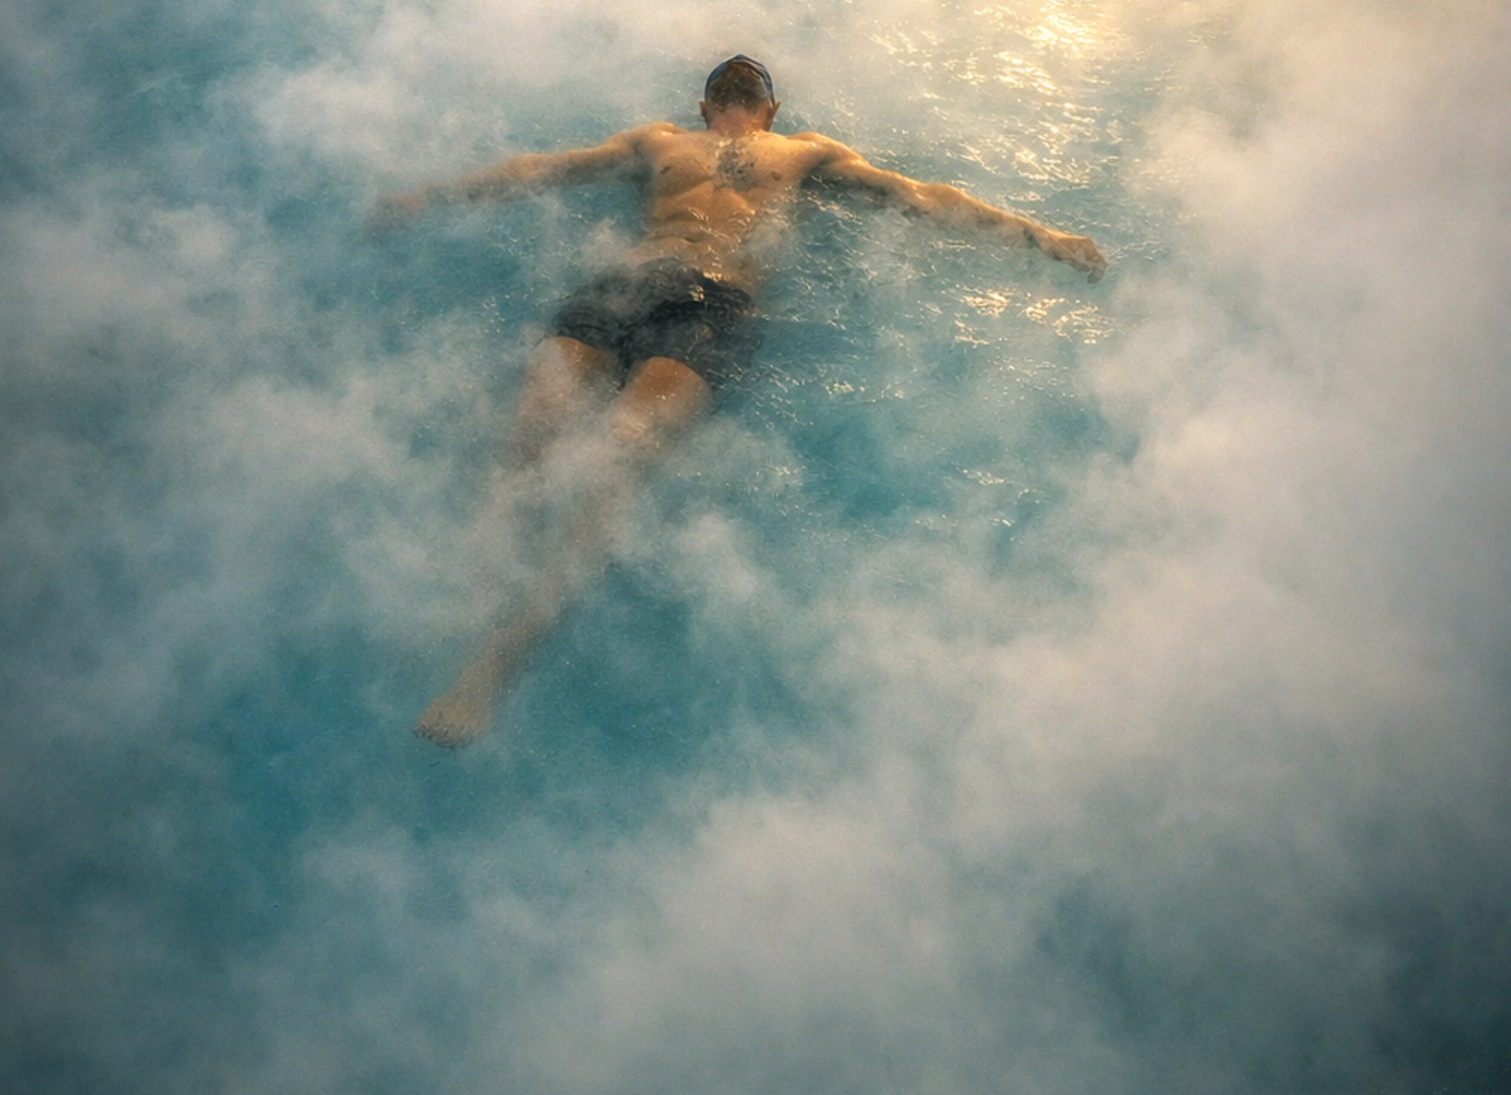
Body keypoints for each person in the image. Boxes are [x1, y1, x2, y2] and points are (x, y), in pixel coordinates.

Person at [372, 55, 1107, 747]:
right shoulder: (659, 142)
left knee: (616, 461)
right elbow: (544, 170)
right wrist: (427, 197)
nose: (740, 89)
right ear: (727, 106)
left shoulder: (802, 152)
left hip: (711, 307)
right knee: (529, 437)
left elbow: (919, 197)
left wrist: (1039, 235)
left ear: (756, 109)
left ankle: (492, 667)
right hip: (621, 286)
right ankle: (466, 601)